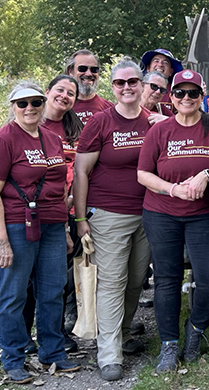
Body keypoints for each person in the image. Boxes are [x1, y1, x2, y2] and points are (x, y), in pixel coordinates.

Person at [0, 83, 81, 383]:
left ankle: (52, 351)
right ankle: (13, 357)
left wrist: (64, 228)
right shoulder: (3, 140)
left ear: (43, 102)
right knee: (12, 294)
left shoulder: (51, 139)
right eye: (22, 103)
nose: (30, 108)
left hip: (51, 223)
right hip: (12, 224)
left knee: (52, 290)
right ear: (13, 106)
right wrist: (1, 242)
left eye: (36, 102)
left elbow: (60, 186)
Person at [137, 70, 209, 373]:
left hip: (205, 214)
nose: (186, 98)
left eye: (193, 93)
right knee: (167, 279)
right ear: (171, 97)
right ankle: (169, 345)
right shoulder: (160, 131)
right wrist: (173, 188)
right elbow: (143, 174)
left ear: (202, 96)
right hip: (162, 212)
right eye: (180, 93)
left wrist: (207, 174)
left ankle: (195, 329)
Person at [73, 60, 152, 381]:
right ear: (113, 88)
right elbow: (80, 171)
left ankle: (119, 334)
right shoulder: (101, 123)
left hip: (148, 214)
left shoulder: (154, 122)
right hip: (108, 214)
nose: (127, 88)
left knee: (136, 280)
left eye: (133, 81)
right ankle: (109, 354)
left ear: (142, 84)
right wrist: (80, 218)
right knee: (113, 282)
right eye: (120, 83)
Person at [23, 75, 85, 355]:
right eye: (60, 90)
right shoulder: (31, 121)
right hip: (32, 211)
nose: (64, 96)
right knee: (26, 280)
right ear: (48, 92)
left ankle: (55, 331)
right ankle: (24, 337)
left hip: (67, 210)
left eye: (70, 94)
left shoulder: (76, 128)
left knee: (56, 277)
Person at [66, 49, 113, 125]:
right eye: (82, 69)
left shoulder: (110, 110)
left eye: (94, 69)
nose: (89, 74)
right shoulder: (61, 107)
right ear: (70, 72)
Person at [140, 48, 183, 115]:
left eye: (162, 90)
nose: (160, 65)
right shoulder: (134, 88)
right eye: (153, 86)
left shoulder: (178, 92)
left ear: (171, 72)